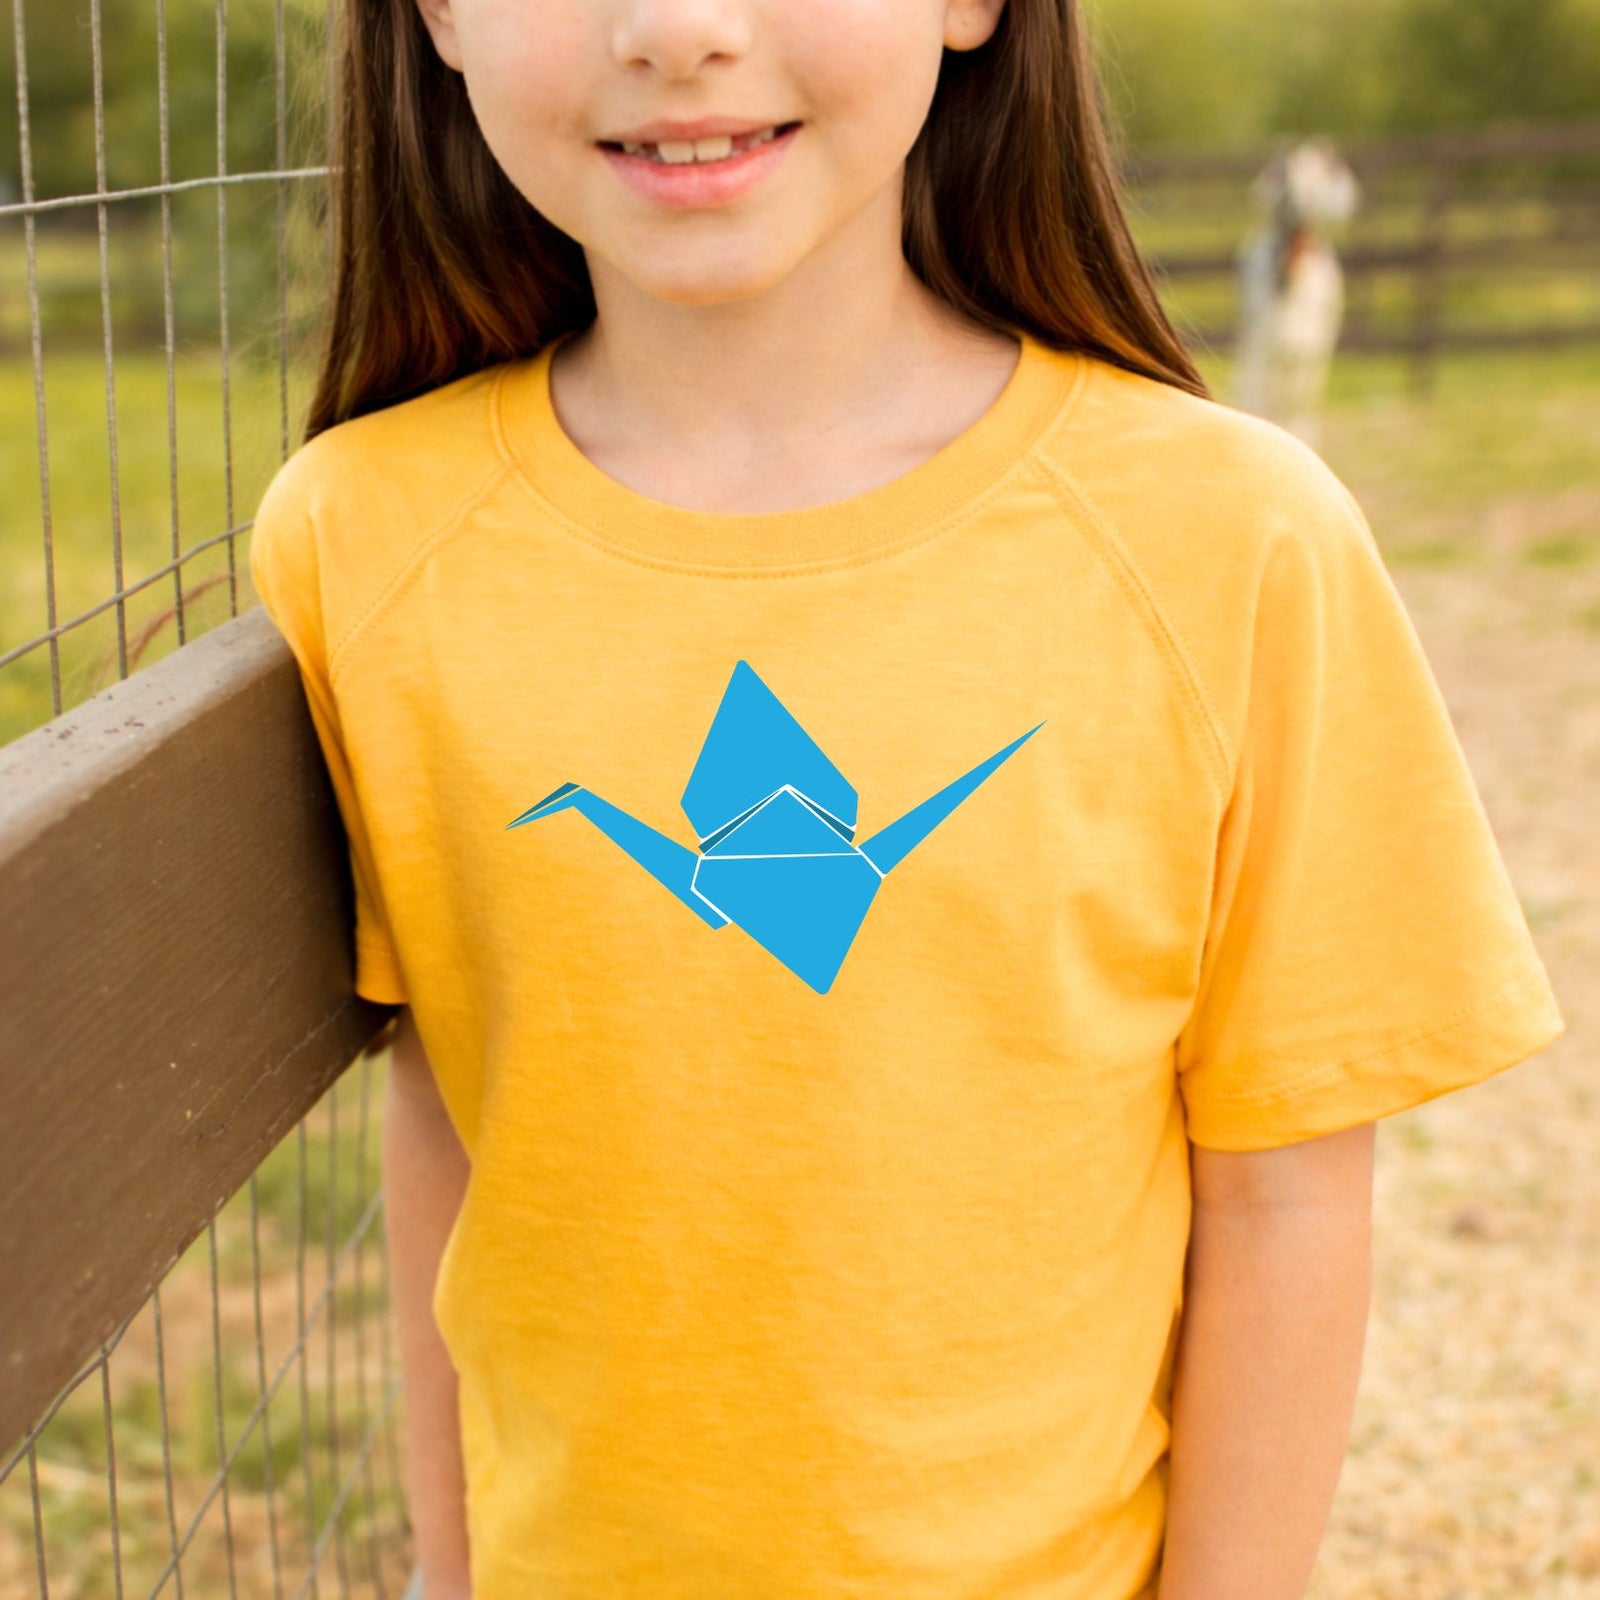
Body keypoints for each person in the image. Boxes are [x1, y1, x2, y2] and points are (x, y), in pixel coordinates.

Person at [245, 0, 1566, 1595]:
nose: (678, 29)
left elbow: (1285, 1192)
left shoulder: (1232, 543)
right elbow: (459, 1098)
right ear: (439, 17)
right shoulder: (357, 544)